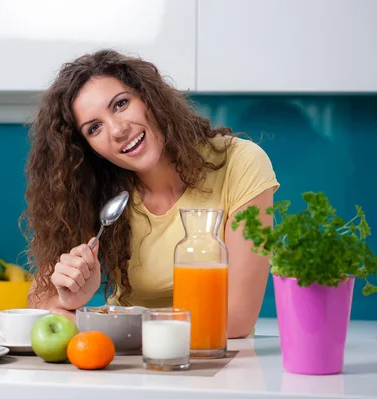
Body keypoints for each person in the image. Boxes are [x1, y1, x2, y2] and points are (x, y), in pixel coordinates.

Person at [20, 49, 279, 338]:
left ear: (148, 98)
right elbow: (39, 299)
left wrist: (109, 323)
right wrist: (70, 298)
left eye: (120, 104)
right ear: (88, 148)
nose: (117, 130)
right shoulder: (98, 190)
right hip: (126, 361)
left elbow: (235, 319)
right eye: (94, 128)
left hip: (217, 359)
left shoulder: (241, 164)